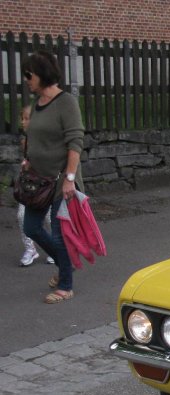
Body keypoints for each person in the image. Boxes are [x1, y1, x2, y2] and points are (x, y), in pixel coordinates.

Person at [20, 50, 84, 304]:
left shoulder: (65, 101)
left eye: (29, 74)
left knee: (59, 234)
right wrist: (27, 159)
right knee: (31, 227)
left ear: (42, 74)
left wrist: (70, 178)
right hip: (37, 180)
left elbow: (75, 141)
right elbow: (35, 137)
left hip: (60, 182)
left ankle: (66, 285)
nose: (26, 79)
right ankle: (65, 263)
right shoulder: (37, 104)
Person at [16, 105, 55, 267]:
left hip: (45, 186)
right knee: (21, 216)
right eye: (22, 119)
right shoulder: (25, 141)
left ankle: (55, 247)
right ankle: (30, 249)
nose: (23, 122)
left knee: (49, 218)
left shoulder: (48, 140)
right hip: (29, 186)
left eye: (27, 118)